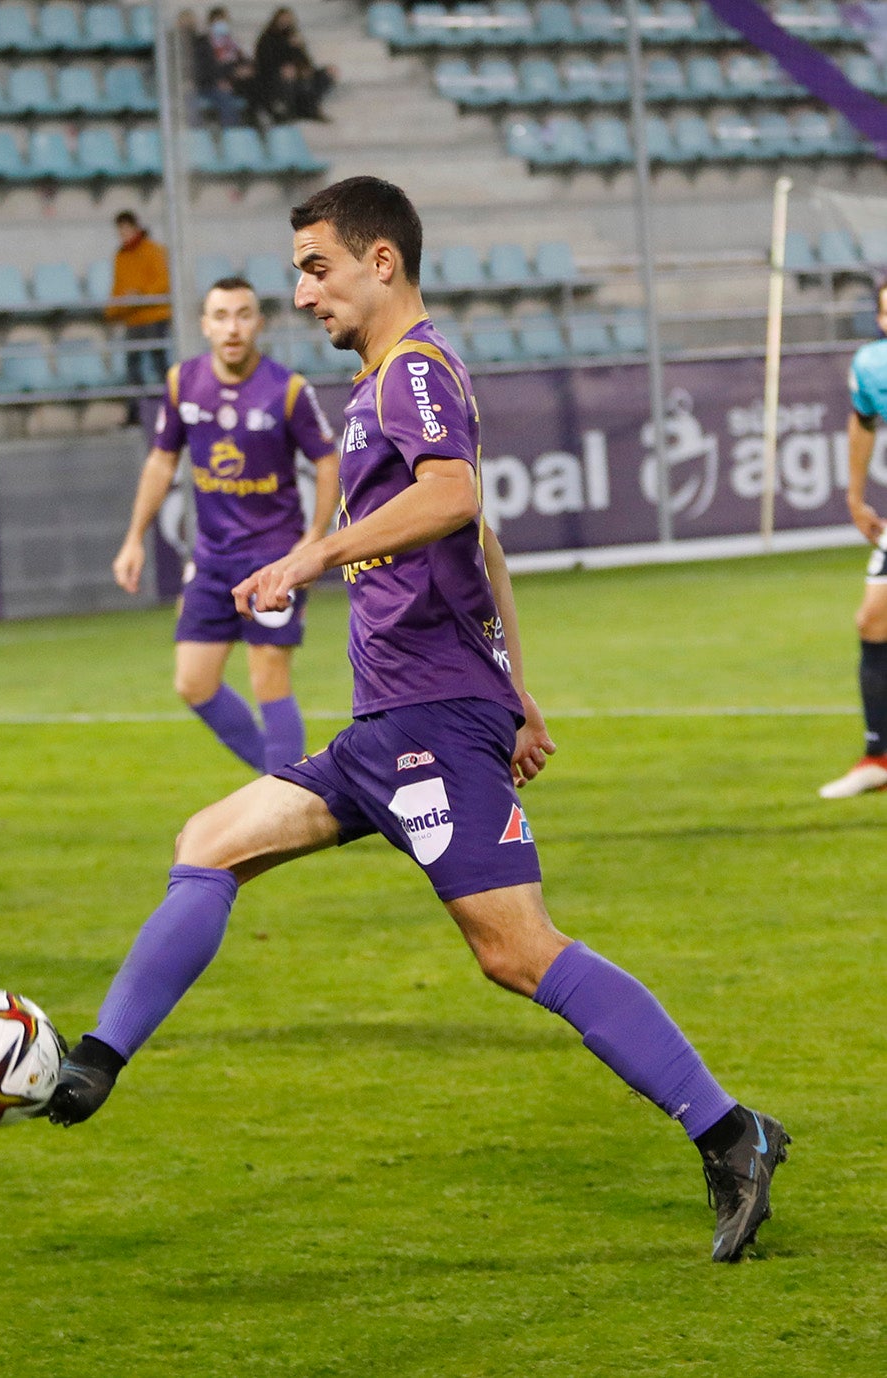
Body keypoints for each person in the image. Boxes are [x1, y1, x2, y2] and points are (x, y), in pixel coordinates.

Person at [48, 177, 790, 1265]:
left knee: (518, 950)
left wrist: (312, 553)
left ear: (380, 260)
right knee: (207, 841)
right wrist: (522, 688)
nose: (302, 292)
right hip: (390, 725)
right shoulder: (378, 387)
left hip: (431, 724)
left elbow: (456, 500)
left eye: (316, 266)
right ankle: (95, 1060)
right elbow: (483, 551)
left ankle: (733, 1133)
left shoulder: (414, 374)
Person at [113, 275, 339, 774]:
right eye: (221, 316)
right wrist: (134, 539)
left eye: (243, 315)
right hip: (212, 558)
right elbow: (160, 462)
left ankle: (284, 800)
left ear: (258, 323)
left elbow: (328, 460)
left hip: (274, 557)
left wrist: (314, 536)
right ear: (204, 326)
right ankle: (291, 785)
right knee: (193, 682)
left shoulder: (287, 390)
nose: (233, 327)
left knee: (268, 678)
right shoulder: (183, 382)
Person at [820, 278, 887, 797]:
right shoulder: (871, 365)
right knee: (873, 619)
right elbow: (864, 421)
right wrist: (855, 496)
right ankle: (878, 756)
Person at [105, 210, 171, 392]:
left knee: (159, 360)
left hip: (154, 315)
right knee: (132, 363)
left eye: (126, 231)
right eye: (120, 232)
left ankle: (172, 403)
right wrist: (111, 311)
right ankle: (136, 409)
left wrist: (140, 294)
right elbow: (118, 286)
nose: (123, 236)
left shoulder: (153, 250)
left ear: (135, 228)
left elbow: (164, 281)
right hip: (133, 317)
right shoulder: (121, 256)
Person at [254, 8, 336, 122]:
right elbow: (265, 62)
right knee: (289, 74)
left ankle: (310, 107)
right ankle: (290, 110)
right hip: (274, 75)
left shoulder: (294, 37)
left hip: (297, 71)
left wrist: (304, 65)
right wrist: (284, 66)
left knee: (329, 72)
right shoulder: (267, 38)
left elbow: (305, 59)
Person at [194, 6, 257, 128]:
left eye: (225, 21)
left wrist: (247, 69)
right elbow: (202, 69)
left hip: (233, 82)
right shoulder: (202, 43)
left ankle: (257, 128)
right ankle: (233, 134)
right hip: (209, 84)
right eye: (219, 21)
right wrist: (220, 80)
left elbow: (244, 61)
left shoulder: (232, 43)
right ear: (211, 23)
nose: (222, 25)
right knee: (225, 98)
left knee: (259, 89)